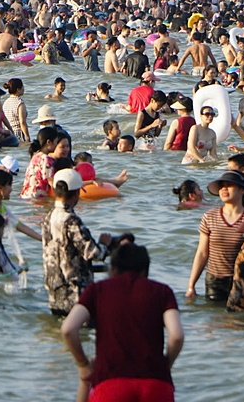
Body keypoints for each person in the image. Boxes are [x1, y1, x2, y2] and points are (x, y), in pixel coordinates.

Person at [62, 242, 183, 402]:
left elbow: (68, 329)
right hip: (156, 384)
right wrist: (165, 365)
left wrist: (83, 365)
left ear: (113, 269)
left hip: (110, 385)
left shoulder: (97, 290)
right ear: (145, 271)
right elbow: (177, 336)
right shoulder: (163, 291)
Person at [42, 167, 113, 315]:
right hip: (75, 292)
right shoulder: (71, 220)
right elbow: (94, 253)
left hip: (54, 292)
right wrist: (104, 244)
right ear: (76, 193)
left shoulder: (48, 218)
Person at [185, 171, 244, 303]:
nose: (224, 189)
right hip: (214, 280)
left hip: (242, 280)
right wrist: (191, 285)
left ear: (242, 189)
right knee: (214, 314)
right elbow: (202, 253)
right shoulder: (210, 216)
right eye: (222, 186)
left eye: (229, 185)